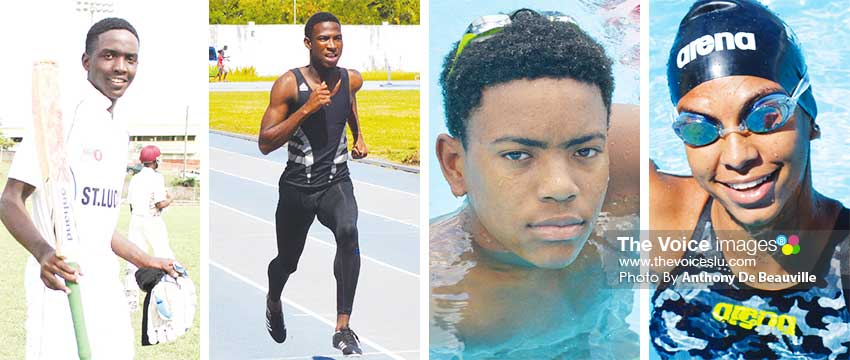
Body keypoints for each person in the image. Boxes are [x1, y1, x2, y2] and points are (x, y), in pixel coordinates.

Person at [430, 9, 639, 359]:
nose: (560, 187)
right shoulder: (442, 300)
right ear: (455, 166)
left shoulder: (629, 168)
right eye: (517, 155)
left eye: (585, 150)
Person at [649, 0, 850, 358]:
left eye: (766, 116)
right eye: (699, 128)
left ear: (810, 118)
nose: (737, 156)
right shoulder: (663, 220)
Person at [0, 18, 179, 359]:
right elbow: (9, 201)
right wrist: (44, 254)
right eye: (109, 56)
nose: (120, 67)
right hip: (59, 286)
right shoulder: (60, 116)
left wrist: (146, 259)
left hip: (105, 285)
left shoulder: (118, 126)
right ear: (87, 61)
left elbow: (98, 225)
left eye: (130, 59)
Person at [257, 11, 368, 357]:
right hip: (297, 188)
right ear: (308, 43)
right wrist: (306, 109)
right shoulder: (289, 84)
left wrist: (358, 135)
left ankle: (343, 327)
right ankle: (274, 300)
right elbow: (264, 142)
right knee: (287, 261)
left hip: (336, 180)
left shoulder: (352, 78)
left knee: (349, 231)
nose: (332, 45)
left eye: (337, 38)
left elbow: (348, 102)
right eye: (323, 39)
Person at [123, 145, 174, 311]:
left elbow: (131, 205)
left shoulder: (135, 178)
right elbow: (159, 203)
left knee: (134, 258)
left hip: (136, 220)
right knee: (163, 254)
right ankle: (167, 294)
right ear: (155, 161)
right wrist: (170, 199)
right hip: (152, 219)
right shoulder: (156, 178)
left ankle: (131, 298)